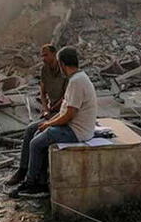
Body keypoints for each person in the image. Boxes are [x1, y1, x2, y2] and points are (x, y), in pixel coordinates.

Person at [7, 46, 97, 198]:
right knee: (35, 131)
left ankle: (31, 184)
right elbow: (64, 111)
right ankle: (35, 178)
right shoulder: (76, 78)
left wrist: (49, 124)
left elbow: (69, 114)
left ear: (62, 64)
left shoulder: (76, 82)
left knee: (36, 142)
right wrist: (48, 121)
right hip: (71, 125)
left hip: (77, 131)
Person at [39, 44, 66, 118]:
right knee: (32, 128)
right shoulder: (44, 70)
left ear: (54, 54)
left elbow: (67, 95)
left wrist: (53, 108)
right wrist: (45, 109)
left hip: (64, 109)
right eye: (42, 56)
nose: (43, 58)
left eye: (46, 55)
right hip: (52, 109)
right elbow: (42, 92)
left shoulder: (63, 69)